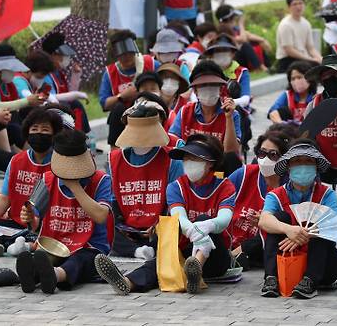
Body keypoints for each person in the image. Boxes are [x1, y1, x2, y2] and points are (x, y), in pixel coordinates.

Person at [95, 134, 236, 295]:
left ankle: (195, 269)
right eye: (186, 158)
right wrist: (195, 233)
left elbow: (224, 219)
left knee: (204, 219)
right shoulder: (176, 186)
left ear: (210, 163)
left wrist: (204, 227)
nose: (188, 163)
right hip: (185, 250)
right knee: (161, 263)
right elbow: (180, 217)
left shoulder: (225, 186)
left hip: (217, 257)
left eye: (194, 158)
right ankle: (127, 282)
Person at [16, 129, 113, 294]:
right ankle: (35, 273)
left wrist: (75, 186)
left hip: (89, 247)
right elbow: (36, 226)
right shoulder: (47, 180)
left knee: (81, 260)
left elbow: (101, 216)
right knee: (42, 256)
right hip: (54, 246)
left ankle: (52, 275)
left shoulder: (101, 180)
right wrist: (30, 217)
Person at [0, 107, 63, 257]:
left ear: (54, 134)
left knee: (54, 234)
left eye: (45, 129)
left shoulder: (60, 162)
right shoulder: (16, 161)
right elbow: (5, 196)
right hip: (16, 222)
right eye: (34, 129)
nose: (39, 133)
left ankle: (26, 246)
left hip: (45, 224)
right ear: (27, 133)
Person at [258, 139, 337, 299]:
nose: (302, 165)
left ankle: (310, 280)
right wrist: (289, 230)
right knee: (279, 218)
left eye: (308, 161)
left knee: (320, 223)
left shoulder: (327, 194)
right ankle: (271, 277)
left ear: (316, 166)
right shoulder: (276, 195)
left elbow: (335, 222)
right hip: (287, 259)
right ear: (289, 167)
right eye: (297, 161)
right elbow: (264, 220)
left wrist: (302, 236)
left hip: (325, 266)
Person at [109, 105, 184, 259]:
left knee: (175, 226)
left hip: (159, 225)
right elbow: (113, 201)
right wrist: (118, 223)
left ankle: (150, 248)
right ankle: (137, 251)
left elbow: (175, 202)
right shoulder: (115, 160)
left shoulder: (172, 160)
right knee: (102, 223)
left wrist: (158, 224)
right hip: (128, 228)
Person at [228, 130, 291, 270]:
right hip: (232, 237)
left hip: (265, 244)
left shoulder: (289, 186)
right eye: (262, 153)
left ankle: (231, 259)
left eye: (273, 155)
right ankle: (233, 257)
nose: (265, 159)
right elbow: (220, 197)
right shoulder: (244, 174)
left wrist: (266, 221)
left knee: (274, 228)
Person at [0, 43, 46, 150]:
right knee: (14, 128)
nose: (14, 72)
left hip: (7, 125)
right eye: (11, 69)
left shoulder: (8, 84)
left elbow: (15, 108)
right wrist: (27, 101)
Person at [99, 30, 157, 148]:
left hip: (149, 112)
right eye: (122, 54)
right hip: (123, 117)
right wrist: (122, 96)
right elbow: (104, 104)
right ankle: (115, 151)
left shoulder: (150, 64)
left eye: (129, 53)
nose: (126, 57)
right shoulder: (110, 73)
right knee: (118, 108)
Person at [40, 33, 91, 133]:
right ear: (52, 55)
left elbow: (70, 95)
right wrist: (77, 95)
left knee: (76, 104)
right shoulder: (45, 75)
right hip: (53, 111)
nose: (66, 58)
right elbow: (52, 98)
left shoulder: (59, 73)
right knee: (71, 104)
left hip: (64, 108)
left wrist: (75, 76)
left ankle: (84, 137)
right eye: (62, 55)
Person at [275, 0, 322, 73]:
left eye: (300, 3)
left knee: (324, 66)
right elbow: (289, 50)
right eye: (295, 4)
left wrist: (321, 59)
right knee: (313, 67)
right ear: (289, 7)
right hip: (287, 60)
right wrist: (310, 59)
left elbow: (310, 48)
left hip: (302, 58)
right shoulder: (286, 25)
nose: (298, 7)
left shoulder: (306, 23)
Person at [216, 4, 272, 72]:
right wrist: (241, 24)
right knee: (245, 45)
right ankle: (262, 68)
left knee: (255, 43)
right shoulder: (222, 30)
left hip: (236, 56)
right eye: (234, 17)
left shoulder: (234, 28)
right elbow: (243, 39)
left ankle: (268, 66)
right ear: (229, 18)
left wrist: (262, 40)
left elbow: (248, 35)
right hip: (229, 59)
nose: (235, 19)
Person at [156, 63, 190, 130]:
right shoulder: (152, 102)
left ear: (179, 83)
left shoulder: (185, 106)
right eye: (165, 77)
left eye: (173, 78)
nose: (169, 81)